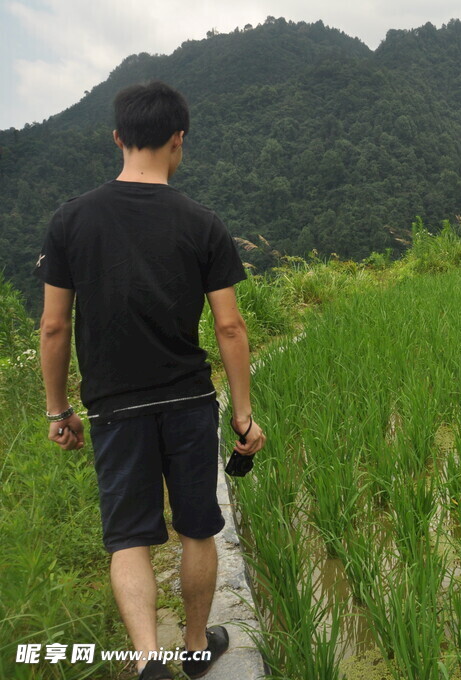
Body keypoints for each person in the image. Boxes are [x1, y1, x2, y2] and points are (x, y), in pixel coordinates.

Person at [35, 81, 266, 680]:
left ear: (117, 138)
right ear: (178, 140)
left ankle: (146, 662)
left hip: (112, 407)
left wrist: (58, 410)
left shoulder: (71, 221)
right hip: (189, 399)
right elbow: (231, 327)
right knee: (196, 525)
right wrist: (242, 416)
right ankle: (194, 649)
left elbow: (55, 327)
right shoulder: (201, 222)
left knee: (129, 539)